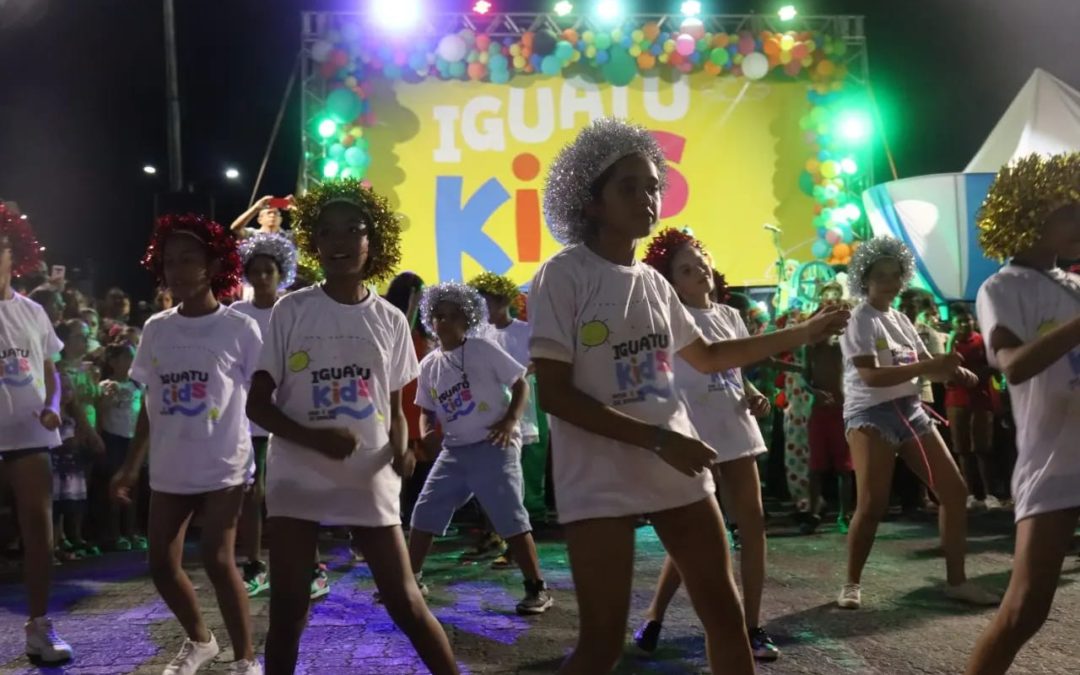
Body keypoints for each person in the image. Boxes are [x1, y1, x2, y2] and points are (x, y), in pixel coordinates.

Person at [529, 118, 848, 675]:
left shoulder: (654, 284)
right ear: (592, 201)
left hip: (675, 464)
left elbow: (708, 355)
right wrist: (657, 440)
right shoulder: (563, 275)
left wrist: (802, 332)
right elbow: (554, 394)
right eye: (628, 186)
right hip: (600, 475)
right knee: (601, 645)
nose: (646, 196)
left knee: (725, 618)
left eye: (652, 185)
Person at [245, 179, 459, 675]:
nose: (339, 240)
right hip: (297, 477)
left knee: (406, 602)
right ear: (314, 244)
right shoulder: (290, 310)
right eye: (326, 231)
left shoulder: (389, 319)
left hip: (367, 478)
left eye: (353, 229)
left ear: (373, 241)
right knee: (288, 612)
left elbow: (395, 406)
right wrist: (315, 437)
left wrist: (402, 451)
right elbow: (258, 404)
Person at [110, 213, 263, 675]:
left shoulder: (239, 329)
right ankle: (201, 640)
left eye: (188, 260)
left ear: (213, 264)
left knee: (218, 559)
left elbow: (262, 398)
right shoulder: (157, 328)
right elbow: (148, 404)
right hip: (171, 465)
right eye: (169, 262)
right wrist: (131, 466)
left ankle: (246, 659)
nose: (177, 271)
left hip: (224, 465)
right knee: (160, 562)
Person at [634, 228, 779, 661]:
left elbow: (732, 368)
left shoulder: (730, 315)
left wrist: (751, 391)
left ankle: (752, 626)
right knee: (700, 538)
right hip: (695, 435)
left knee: (753, 529)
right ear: (670, 280)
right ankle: (655, 616)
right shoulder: (671, 317)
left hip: (737, 428)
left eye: (701, 262)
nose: (699, 271)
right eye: (685, 268)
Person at [836, 236, 1000, 611]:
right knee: (872, 505)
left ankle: (957, 582)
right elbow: (873, 378)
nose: (891, 283)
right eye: (881, 276)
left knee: (954, 492)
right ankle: (851, 582)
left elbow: (930, 361)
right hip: (870, 416)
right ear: (865, 279)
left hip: (910, 412)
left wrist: (956, 372)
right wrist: (932, 367)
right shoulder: (859, 320)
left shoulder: (902, 319)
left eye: (896, 275)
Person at [965, 153, 1080, 675]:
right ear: (1031, 217)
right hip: (1055, 462)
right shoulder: (1002, 288)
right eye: (1068, 210)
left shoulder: (1074, 284)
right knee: (1025, 608)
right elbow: (1012, 366)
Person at [406, 282, 553, 614]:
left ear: (466, 318)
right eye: (437, 316)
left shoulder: (482, 349)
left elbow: (519, 383)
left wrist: (509, 422)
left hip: (493, 445)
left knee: (509, 517)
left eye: (451, 316)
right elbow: (426, 410)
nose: (443, 322)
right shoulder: (429, 364)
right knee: (425, 511)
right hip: (455, 452)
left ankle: (536, 588)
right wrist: (428, 433)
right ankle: (410, 580)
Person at [0, 203, 73, 663]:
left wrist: (51, 406)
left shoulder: (32, 312)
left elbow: (52, 371)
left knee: (39, 534)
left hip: (29, 440)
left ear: (12, 254)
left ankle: (39, 627)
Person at [231, 232, 298, 599]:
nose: (260, 278)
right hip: (249, 417)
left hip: (286, 413)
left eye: (268, 271)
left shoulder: (291, 309)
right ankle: (255, 564)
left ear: (280, 273)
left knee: (290, 491)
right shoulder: (237, 314)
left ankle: (307, 563)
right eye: (254, 271)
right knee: (252, 495)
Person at [802, 282, 855, 535]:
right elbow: (805, 377)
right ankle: (813, 512)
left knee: (845, 468)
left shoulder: (842, 347)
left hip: (842, 411)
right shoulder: (811, 349)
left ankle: (845, 515)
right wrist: (815, 392)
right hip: (819, 412)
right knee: (815, 467)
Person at [944, 306, 1001, 510]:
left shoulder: (981, 340)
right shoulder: (949, 343)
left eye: (967, 320)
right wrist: (950, 342)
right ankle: (969, 494)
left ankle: (989, 494)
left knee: (983, 448)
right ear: (953, 324)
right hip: (956, 401)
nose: (964, 325)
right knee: (963, 449)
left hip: (980, 399)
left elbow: (994, 365)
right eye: (959, 321)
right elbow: (945, 369)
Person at [96, 342, 145, 551]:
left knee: (134, 488)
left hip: (132, 439)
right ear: (113, 362)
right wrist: (110, 396)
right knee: (115, 487)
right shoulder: (106, 385)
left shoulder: (137, 386)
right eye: (125, 358)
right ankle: (114, 534)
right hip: (113, 438)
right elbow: (101, 411)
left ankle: (132, 531)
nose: (130, 362)